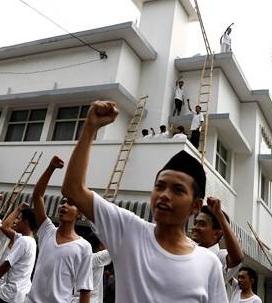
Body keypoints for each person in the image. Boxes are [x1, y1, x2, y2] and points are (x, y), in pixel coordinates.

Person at [62, 100, 228, 302]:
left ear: (195, 205)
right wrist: (90, 127)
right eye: (160, 186)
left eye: (177, 190)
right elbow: (73, 190)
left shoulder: (209, 264)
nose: (164, 195)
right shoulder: (129, 231)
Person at [25, 156, 93, 303]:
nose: (64, 206)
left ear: (80, 213)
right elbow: (38, 196)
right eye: (62, 202)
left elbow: (85, 291)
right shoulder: (47, 231)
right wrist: (51, 168)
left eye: (71, 204)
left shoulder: (84, 247)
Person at [192, 197, 244, 285]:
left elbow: (237, 258)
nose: (195, 228)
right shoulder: (187, 248)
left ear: (216, 234)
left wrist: (219, 214)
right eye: (195, 223)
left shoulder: (220, 257)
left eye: (202, 224)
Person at [70, 235, 112, 303]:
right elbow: (115, 249)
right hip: (89, 300)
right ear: (100, 245)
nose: (107, 246)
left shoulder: (79, 260)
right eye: (106, 244)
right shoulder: (95, 258)